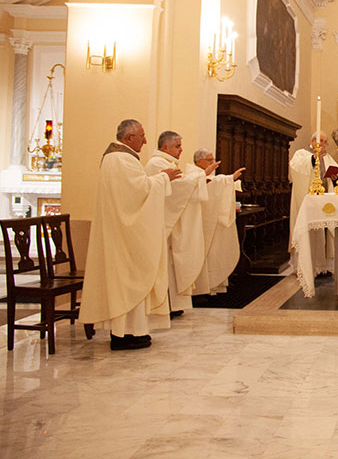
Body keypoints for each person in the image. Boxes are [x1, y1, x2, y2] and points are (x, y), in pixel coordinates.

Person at [78, 119, 180, 351]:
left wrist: (160, 178)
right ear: (128, 138)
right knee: (128, 281)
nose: (145, 140)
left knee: (126, 281)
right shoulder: (121, 159)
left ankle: (129, 331)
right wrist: (164, 177)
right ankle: (123, 334)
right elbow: (139, 191)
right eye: (142, 136)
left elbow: (136, 189)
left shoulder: (117, 158)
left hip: (122, 231)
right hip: (124, 235)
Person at [146, 131, 215, 318]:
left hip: (171, 223)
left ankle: (173, 304)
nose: (181, 149)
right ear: (165, 147)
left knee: (172, 265)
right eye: (177, 146)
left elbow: (182, 185)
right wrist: (201, 175)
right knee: (168, 266)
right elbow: (177, 189)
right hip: (165, 223)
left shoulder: (168, 163)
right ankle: (165, 305)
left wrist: (201, 177)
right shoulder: (156, 164)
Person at [190, 149, 245, 294]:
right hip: (200, 222)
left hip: (209, 220)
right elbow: (208, 184)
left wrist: (228, 180)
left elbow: (214, 183)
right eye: (209, 160)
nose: (212, 163)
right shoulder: (192, 173)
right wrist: (229, 178)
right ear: (199, 161)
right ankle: (202, 288)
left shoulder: (203, 175)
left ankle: (213, 285)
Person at [289, 131, 338, 274]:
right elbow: (296, 170)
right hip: (308, 201)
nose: (323, 144)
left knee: (324, 232)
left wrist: (335, 178)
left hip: (323, 202)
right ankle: (304, 266)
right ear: (312, 141)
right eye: (320, 141)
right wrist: (313, 159)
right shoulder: (302, 154)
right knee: (308, 231)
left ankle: (323, 267)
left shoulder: (328, 158)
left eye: (325, 141)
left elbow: (335, 179)